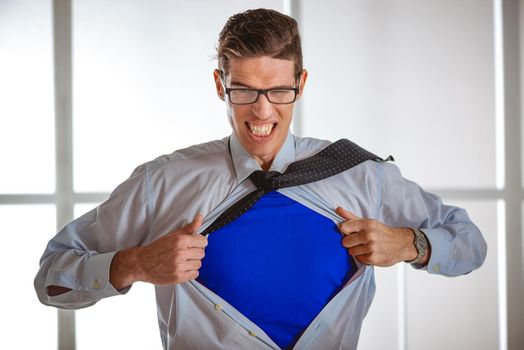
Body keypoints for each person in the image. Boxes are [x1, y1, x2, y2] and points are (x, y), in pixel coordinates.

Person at [35, 8, 487, 350]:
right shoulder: (163, 181)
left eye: (279, 91)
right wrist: (131, 265)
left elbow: (470, 242)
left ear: (301, 83)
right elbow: (50, 279)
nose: (263, 110)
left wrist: (409, 244)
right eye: (244, 90)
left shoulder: (363, 175)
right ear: (220, 85)